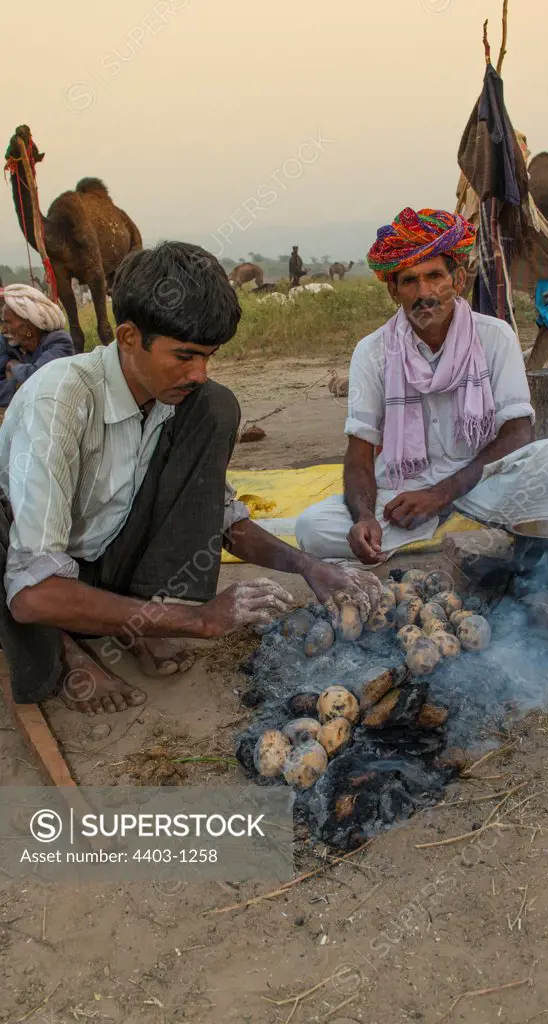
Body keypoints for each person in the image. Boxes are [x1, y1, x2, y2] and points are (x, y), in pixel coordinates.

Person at [0, 241, 379, 714]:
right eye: (184, 356)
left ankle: (139, 620)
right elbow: (32, 593)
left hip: (100, 555)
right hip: (32, 575)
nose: (199, 373)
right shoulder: (60, 402)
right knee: (25, 580)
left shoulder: (174, 398)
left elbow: (215, 515)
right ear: (128, 337)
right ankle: (63, 651)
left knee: (217, 404)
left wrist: (308, 566)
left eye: (208, 355)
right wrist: (197, 619)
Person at [295, 207, 548, 563]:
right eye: (410, 281)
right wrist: (363, 516)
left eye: (434, 276)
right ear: (394, 291)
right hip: (403, 496)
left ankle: (454, 523)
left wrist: (442, 494)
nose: (425, 293)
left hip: (480, 482)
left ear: (458, 281)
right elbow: (359, 453)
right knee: (311, 528)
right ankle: (475, 529)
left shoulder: (495, 336)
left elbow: (518, 434)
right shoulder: (372, 351)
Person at [0, 284, 74, 412]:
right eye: (3, 322)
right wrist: (18, 387)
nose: (4, 329)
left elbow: (40, 380)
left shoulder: (59, 342)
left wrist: (12, 366)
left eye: (8, 322)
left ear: (28, 326)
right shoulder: (6, 342)